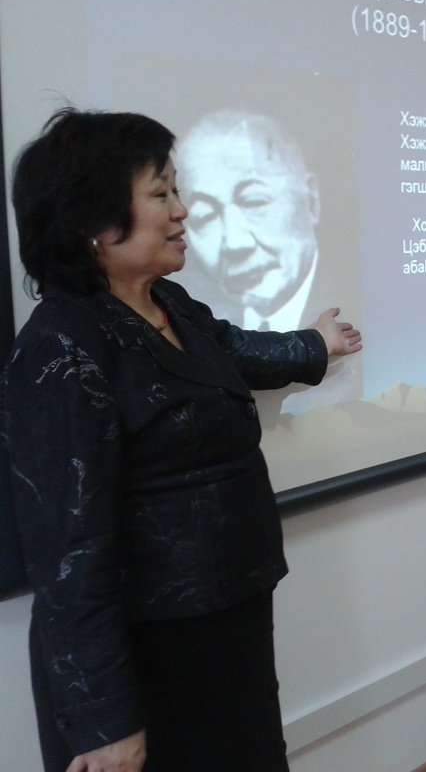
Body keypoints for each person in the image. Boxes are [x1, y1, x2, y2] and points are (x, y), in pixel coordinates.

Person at [0, 107, 362, 772]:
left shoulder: (171, 306)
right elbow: (68, 554)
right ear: (91, 222)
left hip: (225, 626)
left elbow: (233, 349)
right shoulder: (61, 349)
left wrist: (314, 344)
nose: (181, 211)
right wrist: (106, 721)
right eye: (160, 193)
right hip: (149, 656)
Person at [175, 110, 334, 332]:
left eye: (254, 202)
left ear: (311, 201)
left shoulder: (364, 295)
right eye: (206, 216)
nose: (235, 243)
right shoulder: (199, 325)